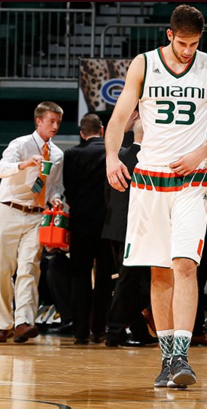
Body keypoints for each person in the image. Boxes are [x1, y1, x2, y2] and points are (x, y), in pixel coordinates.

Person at [104, 5, 207, 388]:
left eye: (194, 43)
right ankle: (166, 359)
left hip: (193, 178)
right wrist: (112, 156)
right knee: (159, 270)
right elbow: (117, 118)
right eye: (182, 43)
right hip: (149, 180)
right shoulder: (143, 64)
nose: (188, 51)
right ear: (169, 35)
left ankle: (182, 357)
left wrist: (200, 153)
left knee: (186, 265)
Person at [0, 101, 65, 343]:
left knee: (29, 267)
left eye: (58, 122)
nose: (55, 126)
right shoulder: (20, 144)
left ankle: (23, 322)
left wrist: (56, 199)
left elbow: (53, 186)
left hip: (37, 214)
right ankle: (2, 323)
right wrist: (24, 164)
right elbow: (2, 167)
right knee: (3, 269)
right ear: (38, 121)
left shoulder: (57, 153)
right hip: (9, 209)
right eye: (51, 121)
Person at [63, 113, 115, 344]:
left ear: (82, 134)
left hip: (81, 224)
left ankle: (80, 332)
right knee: (105, 278)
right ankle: (100, 330)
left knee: (79, 277)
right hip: (107, 224)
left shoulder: (72, 154)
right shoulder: (112, 153)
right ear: (102, 130)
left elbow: (69, 191)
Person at [103, 116, 153, 348]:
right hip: (136, 229)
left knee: (131, 282)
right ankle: (114, 332)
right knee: (129, 283)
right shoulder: (148, 160)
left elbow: (107, 194)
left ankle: (139, 332)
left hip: (113, 227)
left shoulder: (118, 157)